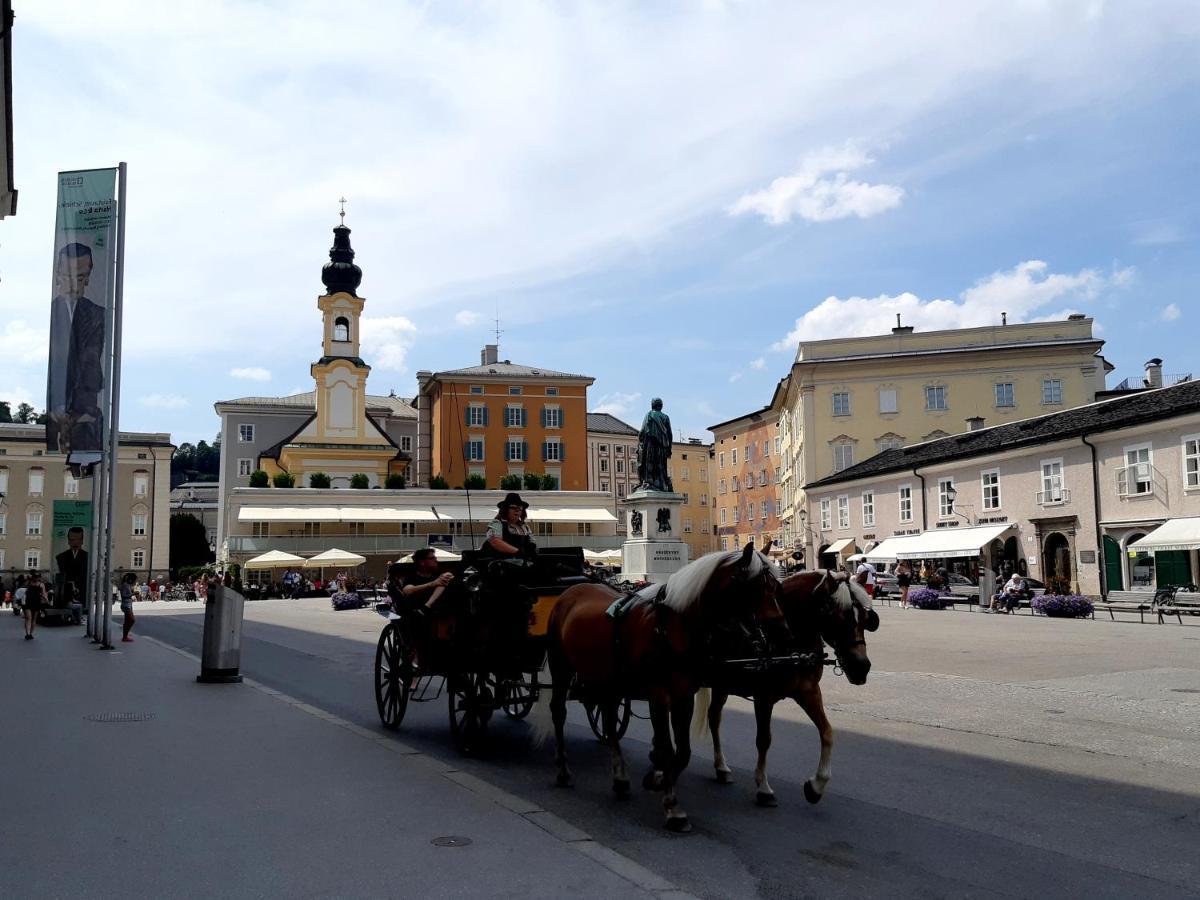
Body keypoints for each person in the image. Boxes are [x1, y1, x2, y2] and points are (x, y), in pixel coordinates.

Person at [47, 242, 106, 455]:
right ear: (57, 274)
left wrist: (82, 411)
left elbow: (92, 362)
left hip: (85, 407)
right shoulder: (52, 313)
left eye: (80, 278)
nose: (73, 285)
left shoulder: (98, 315)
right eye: (67, 277)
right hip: (57, 408)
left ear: (88, 278)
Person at [395, 550, 454, 618]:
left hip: (436, 620)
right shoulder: (412, 577)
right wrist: (432, 584)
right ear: (421, 562)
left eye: (435, 558)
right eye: (432, 558)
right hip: (414, 619)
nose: (436, 560)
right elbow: (407, 591)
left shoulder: (438, 577)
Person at [483, 493, 537, 560]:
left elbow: (532, 542)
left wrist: (531, 552)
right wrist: (517, 552)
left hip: (521, 563)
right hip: (500, 564)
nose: (517, 510)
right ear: (505, 509)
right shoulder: (497, 523)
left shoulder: (525, 527)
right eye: (513, 507)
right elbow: (495, 541)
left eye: (520, 508)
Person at [636, 398, 674, 492]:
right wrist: (669, 448)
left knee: (650, 463)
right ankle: (662, 483)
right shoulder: (665, 417)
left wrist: (640, 444)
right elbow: (669, 434)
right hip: (663, 447)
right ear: (661, 406)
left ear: (652, 405)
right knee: (661, 465)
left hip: (651, 444)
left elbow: (643, 431)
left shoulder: (649, 414)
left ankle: (650, 481)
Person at [22, 572, 45, 639]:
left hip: (37, 602)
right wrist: (28, 578)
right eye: (35, 577)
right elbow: (23, 586)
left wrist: (46, 600)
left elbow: (43, 593)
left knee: (34, 619)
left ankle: (31, 633)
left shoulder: (41, 584)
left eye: (37, 577)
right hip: (28, 602)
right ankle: (28, 634)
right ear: (33, 577)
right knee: (28, 618)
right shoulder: (29, 582)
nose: (36, 578)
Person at [119, 572, 136, 641]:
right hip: (126, 605)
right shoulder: (125, 585)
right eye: (134, 580)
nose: (134, 582)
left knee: (127, 621)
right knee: (132, 620)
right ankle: (125, 635)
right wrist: (132, 594)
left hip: (128, 604)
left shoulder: (127, 585)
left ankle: (125, 637)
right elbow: (123, 595)